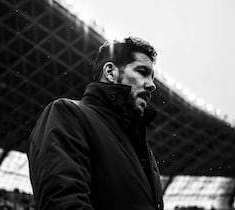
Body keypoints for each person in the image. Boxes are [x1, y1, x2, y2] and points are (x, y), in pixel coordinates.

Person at [28, 36, 164, 210]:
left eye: (152, 77)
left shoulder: (141, 148)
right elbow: (64, 202)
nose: (152, 85)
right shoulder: (69, 114)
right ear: (110, 72)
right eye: (142, 72)